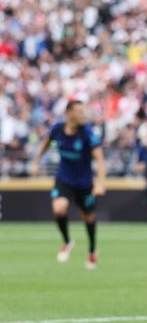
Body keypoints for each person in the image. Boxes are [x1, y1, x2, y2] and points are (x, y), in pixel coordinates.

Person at [30, 100, 106, 269]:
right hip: (64, 179)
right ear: (69, 113)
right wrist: (36, 161)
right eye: (80, 112)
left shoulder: (87, 133)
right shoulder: (57, 129)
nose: (83, 115)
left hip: (84, 183)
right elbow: (46, 144)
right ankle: (67, 241)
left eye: (84, 111)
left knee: (88, 218)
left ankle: (92, 251)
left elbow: (99, 159)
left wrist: (100, 183)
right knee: (59, 208)